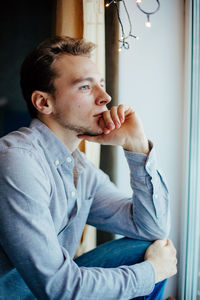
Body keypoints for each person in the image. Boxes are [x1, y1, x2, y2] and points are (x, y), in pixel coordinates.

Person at [0, 36, 177, 300]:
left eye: (101, 85)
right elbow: (59, 287)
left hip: (47, 291)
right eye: (85, 87)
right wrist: (152, 272)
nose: (105, 98)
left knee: (147, 247)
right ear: (43, 103)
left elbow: (153, 229)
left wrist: (136, 146)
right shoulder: (18, 161)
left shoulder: (80, 168)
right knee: (149, 265)